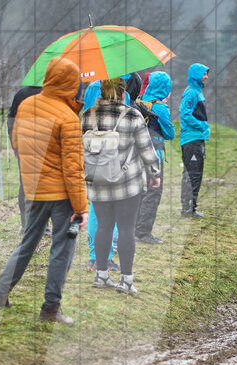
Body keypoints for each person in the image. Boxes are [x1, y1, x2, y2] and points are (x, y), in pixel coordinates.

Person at [0, 57, 87, 324]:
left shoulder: (26, 105)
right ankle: (50, 308)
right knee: (62, 250)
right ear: (70, 84)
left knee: (27, 243)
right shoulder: (68, 118)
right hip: (62, 196)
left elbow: (17, 142)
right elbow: (73, 168)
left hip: (34, 189)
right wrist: (80, 207)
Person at [81, 76, 161, 295]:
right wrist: (154, 173)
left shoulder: (87, 116)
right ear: (123, 93)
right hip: (127, 183)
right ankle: (126, 280)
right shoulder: (132, 115)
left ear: (101, 93)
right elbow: (146, 149)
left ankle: (102, 275)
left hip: (98, 182)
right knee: (126, 228)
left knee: (103, 226)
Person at [133, 71, 174, 244]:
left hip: (137, 152)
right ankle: (143, 232)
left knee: (140, 191)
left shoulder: (138, 101)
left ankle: (134, 227)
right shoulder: (160, 107)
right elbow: (170, 133)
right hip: (154, 154)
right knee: (153, 192)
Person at [7, 84, 42, 232]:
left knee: (25, 184)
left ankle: (25, 223)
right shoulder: (52, 93)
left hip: (24, 146)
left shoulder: (21, 94)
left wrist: (14, 145)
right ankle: (43, 225)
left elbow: (11, 121)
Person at [179, 63, 210, 218]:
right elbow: (184, 113)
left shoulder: (197, 91)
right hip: (191, 139)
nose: (206, 77)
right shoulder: (191, 92)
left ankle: (191, 207)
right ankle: (188, 208)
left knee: (195, 173)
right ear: (196, 75)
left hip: (197, 138)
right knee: (192, 174)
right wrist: (201, 126)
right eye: (204, 74)